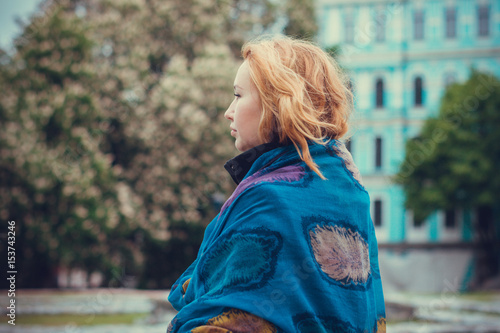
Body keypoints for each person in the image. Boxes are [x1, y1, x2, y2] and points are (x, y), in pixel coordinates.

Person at [167, 35, 386, 333]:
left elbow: (231, 318)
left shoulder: (267, 198)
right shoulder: (351, 191)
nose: (228, 112)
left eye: (238, 95)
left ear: (278, 103)